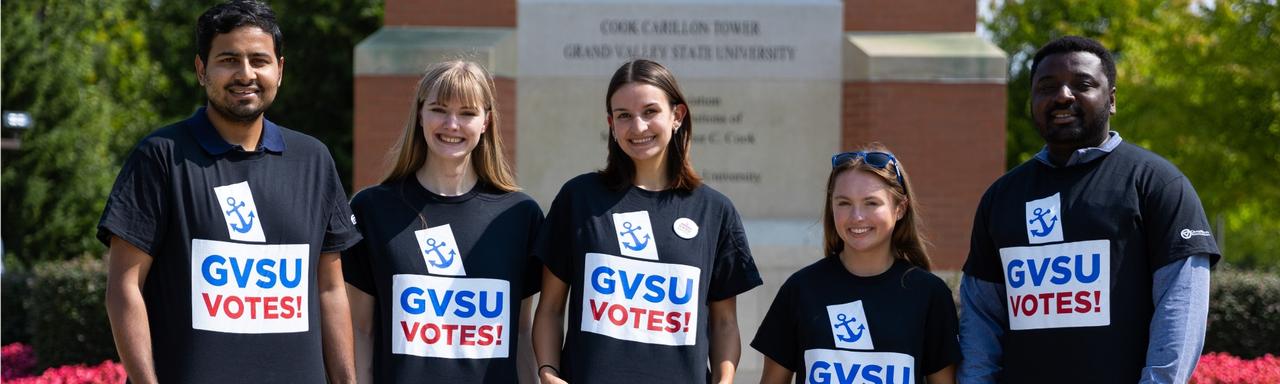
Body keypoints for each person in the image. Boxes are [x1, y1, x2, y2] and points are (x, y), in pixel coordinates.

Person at [99, 1, 361, 383]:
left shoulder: (313, 160)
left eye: (259, 60)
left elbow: (330, 288)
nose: (246, 74)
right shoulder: (161, 157)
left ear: (280, 69)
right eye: (228, 60)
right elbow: (124, 287)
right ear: (201, 70)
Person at [958, 36, 1220, 383]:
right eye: (1046, 87)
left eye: (1082, 84)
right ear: (1032, 100)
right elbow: (980, 319)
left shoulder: (1158, 184)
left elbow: (1181, 309)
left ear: (1111, 100)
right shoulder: (1001, 197)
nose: (1063, 96)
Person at [531, 59, 763, 383]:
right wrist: (548, 371)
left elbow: (724, 323)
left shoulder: (714, 211)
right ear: (611, 123)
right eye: (624, 116)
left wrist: (724, 381)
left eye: (650, 112)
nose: (638, 127)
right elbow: (550, 308)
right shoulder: (579, 199)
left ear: (677, 116)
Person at [342, 61, 543, 383]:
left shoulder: (520, 215)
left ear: (486, 122)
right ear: (420, 115)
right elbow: (361, 331)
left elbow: (521, 332)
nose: (452, 124)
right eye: (439, 109)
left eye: (467, 113)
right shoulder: (372, 210)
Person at [752, 144, 960, 384]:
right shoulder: (801, 289)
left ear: (900, 209)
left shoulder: (929, 295)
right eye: (844, 203)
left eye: (871, 203)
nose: (857, 217)